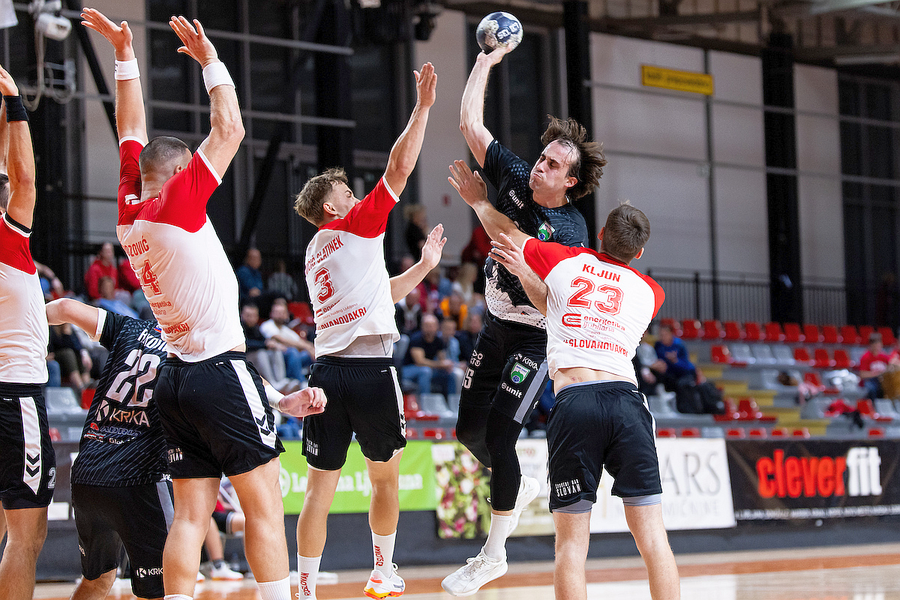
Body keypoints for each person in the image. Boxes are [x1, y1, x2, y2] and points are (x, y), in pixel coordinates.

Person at [82, 10, 327, 600]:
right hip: (218, 371)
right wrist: (211, 63)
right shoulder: (177, 204)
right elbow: (231, 131)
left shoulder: (131, 211)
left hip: (177, 379)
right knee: (265, 504)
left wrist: (124, 55)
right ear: (178, 175)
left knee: (191, 515)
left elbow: (129, 128)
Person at [449, 160, 680, 600]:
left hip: (576, 401)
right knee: (653, 539)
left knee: (572, 545)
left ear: (598, 236)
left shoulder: (566, 263)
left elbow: (511, 237)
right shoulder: (652, 292)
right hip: (627, 401)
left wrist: (480, 201)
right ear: (640, 253)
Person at [443, 45, 607, 597]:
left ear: (570, 183)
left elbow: (511, 240)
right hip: (494, 326)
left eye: (555, 166)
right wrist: (487, 60)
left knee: (498, 431)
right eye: (543, 157)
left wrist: (477, 203)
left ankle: (493, 555)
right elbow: (469, 121)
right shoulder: (514, 175)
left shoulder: (570, 230)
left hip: (537, 337)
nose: (542, 166)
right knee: (468, 431)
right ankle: (518, 483)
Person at [292, 61, 441, 600]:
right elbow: (399, 168)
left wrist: (423, 268)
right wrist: (422, 108)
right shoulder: (353, 224)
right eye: (347, 193)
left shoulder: (317, 251)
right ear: (333, 206)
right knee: (384, 479)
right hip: (372, 370)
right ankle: (382, 569)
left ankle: (305, 587)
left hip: (327, 371)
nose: (358, 197)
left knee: (318, 491)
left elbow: (380, 293)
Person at [0, 66, 57, 600]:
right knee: (27, 533)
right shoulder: (6, 234)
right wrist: (15, 104)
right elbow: (22, 179)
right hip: (14, 393)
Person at [260, 300, 316, 383]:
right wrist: (305, 346)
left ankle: (316, 382)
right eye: (277, 312)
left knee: (309, 354)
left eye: (282, 313)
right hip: (276, 356)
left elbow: (300, 341)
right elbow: (281, 339)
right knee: (293, 352)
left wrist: (310, 347)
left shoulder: (285, 329)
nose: (280, 315)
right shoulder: (267, 325)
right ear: (271, 313)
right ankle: (300, 382)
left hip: (293, 357)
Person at [402, 313, 456, 398]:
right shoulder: (416, 339)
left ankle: (452, 403)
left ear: (437, 327)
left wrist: (446, 365)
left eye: (432, 326)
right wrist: (439, 364)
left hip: (429, 369)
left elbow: (442, 359)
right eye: (427, 326)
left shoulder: (438, 341)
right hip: (408, 369)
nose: (430, 328)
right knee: (425, 371)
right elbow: (420, 362)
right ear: (422, 326)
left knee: (450, 373)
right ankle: (425, 403)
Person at [651, 323, 699, 413]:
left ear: (670, 334)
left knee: (682, 384)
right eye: (661, 335)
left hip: (684, 373)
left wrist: (675, 361)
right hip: (669, 374)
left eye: (665, 335)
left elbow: (686, 365)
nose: (663, 337)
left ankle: (685, 410)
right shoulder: (658, 345)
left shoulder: (679, 345)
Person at [858, 332, 899, 401]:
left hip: (881, 380)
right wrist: (877, 374)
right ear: (871, 345)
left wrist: (894, 363)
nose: (877, 348)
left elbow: (892, 363)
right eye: (875, 345)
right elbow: (862, 374)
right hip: (870, 380)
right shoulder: (865, 357)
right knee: (873, 388)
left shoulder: (883, 356)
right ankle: (874, 407)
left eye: (878, 345)